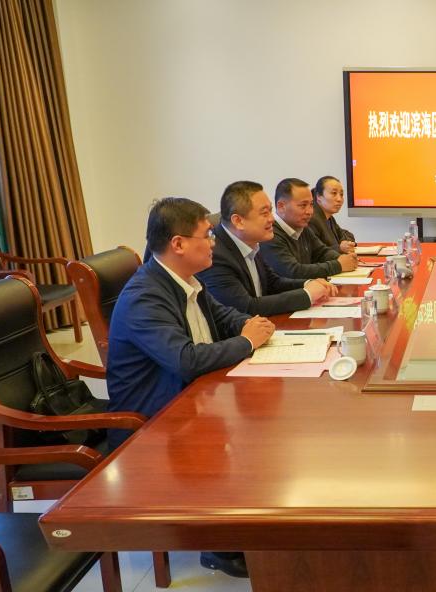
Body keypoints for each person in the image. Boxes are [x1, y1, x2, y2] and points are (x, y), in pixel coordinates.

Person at [106, 197, 275, 578]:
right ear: (179, 244)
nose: (214, 242)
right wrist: (247, 342)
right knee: (253, 427)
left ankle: (248, 523)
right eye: (207, 235)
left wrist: (252, 325)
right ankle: (218, 540)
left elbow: (224, 316)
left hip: (193, 395)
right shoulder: (145, 295)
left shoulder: (186, 280)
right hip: (155, 418)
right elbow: (185, 360)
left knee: (267, 417)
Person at [198, 181, 336, 315]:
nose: (272, 219)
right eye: (264, 213)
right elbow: (245, 307)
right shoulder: (215, 255)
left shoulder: (251, 242)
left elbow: (273, 283)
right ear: (238, 221)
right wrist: (307, 295)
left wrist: (308, 283)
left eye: (270, 211)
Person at [262, 177, 358, 280]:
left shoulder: (302, 227)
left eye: (311, 204)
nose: (310, 212)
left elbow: (321, 252)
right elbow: (293, 271)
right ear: (281, 206)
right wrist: (339, 265)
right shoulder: (270, 234)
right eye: (303, 205)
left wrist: (342, 258)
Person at [309, 175, 356, 254]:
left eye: (341, 194)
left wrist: (345, 243)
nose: (339, 199)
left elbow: (347, 234)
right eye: (334, 193)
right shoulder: (312, 219)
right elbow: (314, 252)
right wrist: (339, 248)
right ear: (319, 196)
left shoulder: (329, 217)